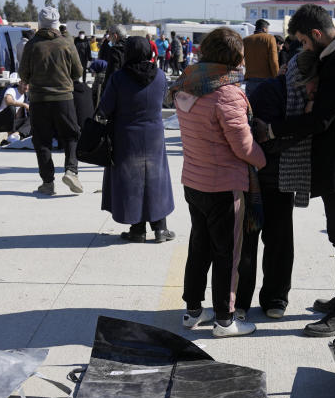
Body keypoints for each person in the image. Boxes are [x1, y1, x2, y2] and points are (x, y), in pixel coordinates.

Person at [253, 4, 335, 337]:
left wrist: (275, 130)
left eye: (305, 43)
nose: (304, 49)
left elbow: (321, 118)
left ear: (317, 35)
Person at [172, 27, 266, 337]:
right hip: (224, 186)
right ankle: (225, 320)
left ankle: (192, 310)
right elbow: (243, 146)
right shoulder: (227, 92)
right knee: (228, 253)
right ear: (234, 57)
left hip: (193, 180)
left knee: (199, 247)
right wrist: (263, 160)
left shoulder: (187, 84)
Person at [235, 50, 315, 320]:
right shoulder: (270, 91)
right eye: (308, 82)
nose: (311, 88)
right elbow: (263, 137)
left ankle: (276, 298)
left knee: (280, 243)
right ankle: (240, 301)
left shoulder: (310, 98)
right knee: (247, 242)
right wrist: (302, 125)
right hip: (256, 179)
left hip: (284, 179)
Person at [98, 36, 175, 243]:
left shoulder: (119, 78)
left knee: (132, 181)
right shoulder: (159, 76)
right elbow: (164, 99)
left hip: (126, 134)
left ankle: (138, 229)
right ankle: (161, 229)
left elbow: (104, 108)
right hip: (154, 134)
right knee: (155, 178)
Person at [18, 6, 84, 196]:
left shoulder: (32, 44)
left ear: (40, 23)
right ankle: (71, 171)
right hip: (64, 98)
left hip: (39, 99)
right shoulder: (66, 44)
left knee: (42, 141)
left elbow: (23, 73)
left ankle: (48, 183)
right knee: (71, 135)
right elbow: (78, 72)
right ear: (57, 24)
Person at [243, 18, 279, 97]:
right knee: (264, 106)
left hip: (250, 79)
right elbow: (274, 61)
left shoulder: (246, 40)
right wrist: (277, 77)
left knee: (251, 106)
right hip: (265, 79)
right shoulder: (270, 38)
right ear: (264, 29)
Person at [100, 25, 127, 95]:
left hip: (117, 89)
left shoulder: (115, 50)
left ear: (115, 36)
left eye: (109, 35)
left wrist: (105, 88)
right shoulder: (131, 47)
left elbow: (112, 71)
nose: (109, 38)